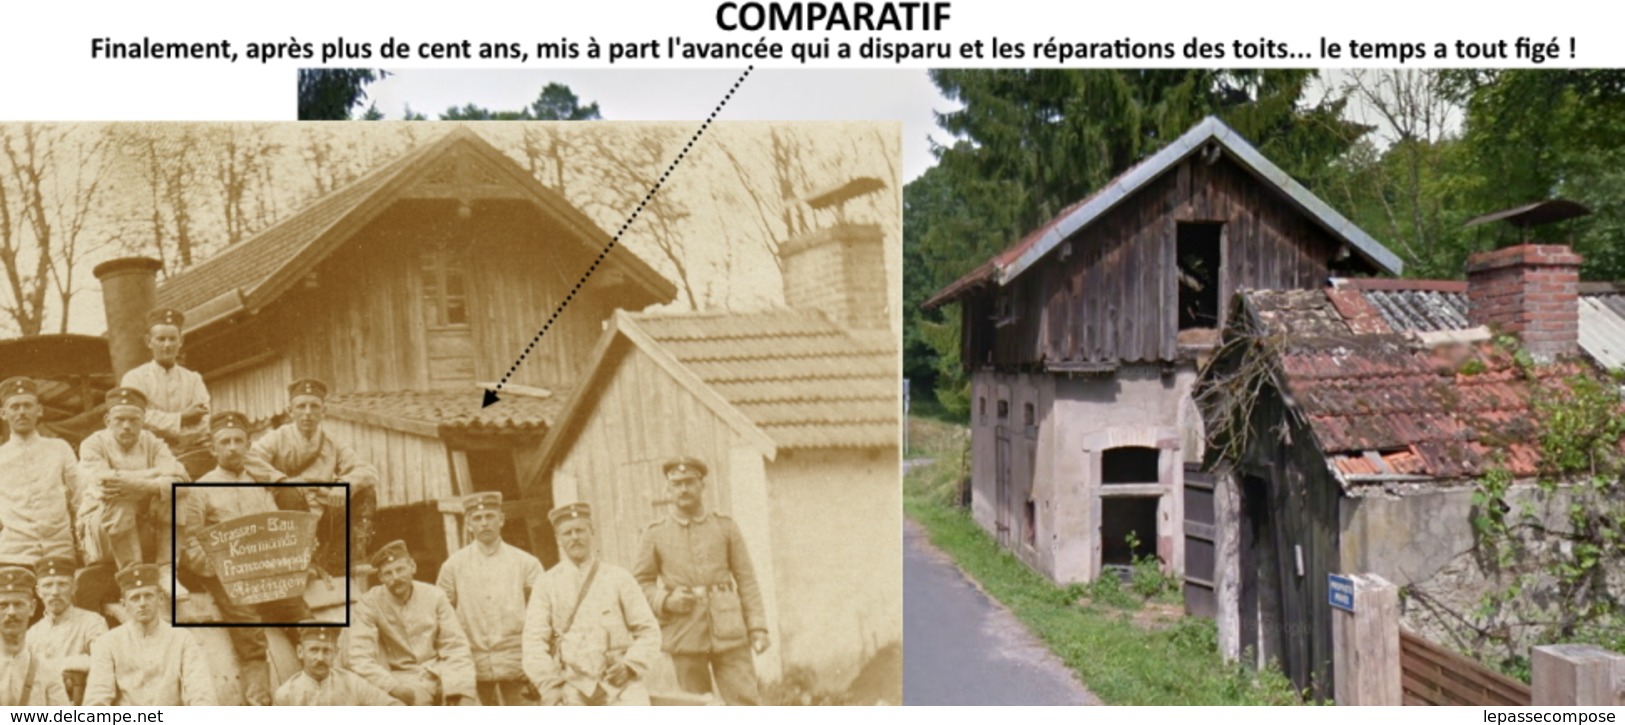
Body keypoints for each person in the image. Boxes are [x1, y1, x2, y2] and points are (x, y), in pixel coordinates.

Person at [178, 410, 314, 705]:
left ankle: (321, 695)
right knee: (250, 633)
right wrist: (220, 568)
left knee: (305, 620)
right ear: (213, 449)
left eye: (238, 440)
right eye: (224, 442)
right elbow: (190, 541)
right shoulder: (200, 490)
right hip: (225, 576)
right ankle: (258, 704)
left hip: (264, 572)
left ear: (248, 445)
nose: (232, 447)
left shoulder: (260, 485)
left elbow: (277, 528)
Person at [634, 456, 770, 705]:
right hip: (685, 634)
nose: (683, 489)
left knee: (746, 702)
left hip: (730, 630)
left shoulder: (725, 526)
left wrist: (758, 626)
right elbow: (640, 584)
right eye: (676, 484)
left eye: (689, 482)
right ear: (668, 489)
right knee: (694, 708)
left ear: (702, 485)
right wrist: (665, 600)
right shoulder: (655, 533)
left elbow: (747, 579)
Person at [522, 503, 660, 706]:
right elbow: (533, 641)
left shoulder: (618, 577)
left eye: (580, 530)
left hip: (620, 684)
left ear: (592, 532)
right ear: (558, 539)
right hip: (570, 684)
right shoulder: (547, 583)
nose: (575, 537)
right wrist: (550, 684)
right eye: (567, 533)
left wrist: (630, 666)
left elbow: (649, 631)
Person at [249, 378, 379, 574]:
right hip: (288, 517)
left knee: (366, 491)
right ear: (290, 411)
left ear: (323, 411)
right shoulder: (277, 437)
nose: (307, 413)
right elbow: (248, 458)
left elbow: (367, 470)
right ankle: (299, 559)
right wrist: (282, 480)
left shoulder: (332, 441)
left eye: (314, 406)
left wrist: (343, 485)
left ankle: (342, 559)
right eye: (301, 406)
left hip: (323, 516)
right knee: (289, 492)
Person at [75, 387, 189, 609]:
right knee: (121, 496)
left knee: (175, 493)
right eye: (120, 419)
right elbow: (106, 484)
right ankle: (133, 576)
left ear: (143, 420)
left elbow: (182, 478)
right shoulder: (93, 444)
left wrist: (142, 485)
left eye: (134, 420)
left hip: (143, 528)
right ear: (108, 420)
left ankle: (166, 570)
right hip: (101, 535)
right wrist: (155, 476)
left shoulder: (153, 442)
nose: (127, 426)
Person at [436, 491, 545, 706]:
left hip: (517, 663)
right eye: (477, 518)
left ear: (501, 520)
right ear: (468, 524)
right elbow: (442, 618)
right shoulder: (453, 566)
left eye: (490, 516)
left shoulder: (526, 563)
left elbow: (541, 617)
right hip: (471, 666)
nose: (484, 523)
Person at [349, 540, 477, 706]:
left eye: (400, 569)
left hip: (444, 672)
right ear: (380, 577)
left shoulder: (435, 596)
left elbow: (455, 646)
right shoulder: (369, 603)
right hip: (404, 678)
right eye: (388, 573)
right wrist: (393, 687)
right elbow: (359, 657)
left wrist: (461, 688)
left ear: (412, 567)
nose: (396, 578)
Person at [81, 563, 215, 706]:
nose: (142, 603)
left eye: (148, 595)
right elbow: (97, 697)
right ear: (124, 603)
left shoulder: (182, 638)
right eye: (135, 598)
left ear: (160, 598)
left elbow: (200, 690)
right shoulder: (108, 642)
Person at [119, 307, 211, 476]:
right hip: (148, 461)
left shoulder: (193, 379)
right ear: (149, 341)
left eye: (172, 339)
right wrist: (182, 418)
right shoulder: (134, 379)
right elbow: (138, 419)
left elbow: (203, 423)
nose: (167, 345)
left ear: (181, 341)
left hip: (190, 457)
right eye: (161, 339)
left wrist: (167, 431)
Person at [0, 377, 81, 565]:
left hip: (59, 550)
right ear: (3, 413)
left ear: (39, 410)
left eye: (27, 405)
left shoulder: (59, 448)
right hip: (14, 554)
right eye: (15, 407)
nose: (22, 412)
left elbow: (80, 496)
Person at [26, 557, 106, 704]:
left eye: (62, 584)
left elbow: (103, 661)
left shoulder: (92, 622)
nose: (55, 592)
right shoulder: (32, 633)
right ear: (38, 591)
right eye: (48, 585)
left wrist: (52, 666)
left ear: (74, 586)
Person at [273, 627, 402, 706]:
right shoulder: (286, 695)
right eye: (314, 650)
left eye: (327, 651)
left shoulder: (352, 683)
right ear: (300, 652)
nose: (320, 658)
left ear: (336, 652)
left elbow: (393, 706)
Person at [0, 566, 69, 705]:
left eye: (18, 604)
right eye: (3, 605)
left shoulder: (46, 670)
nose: (11, 612)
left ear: (32, 608)